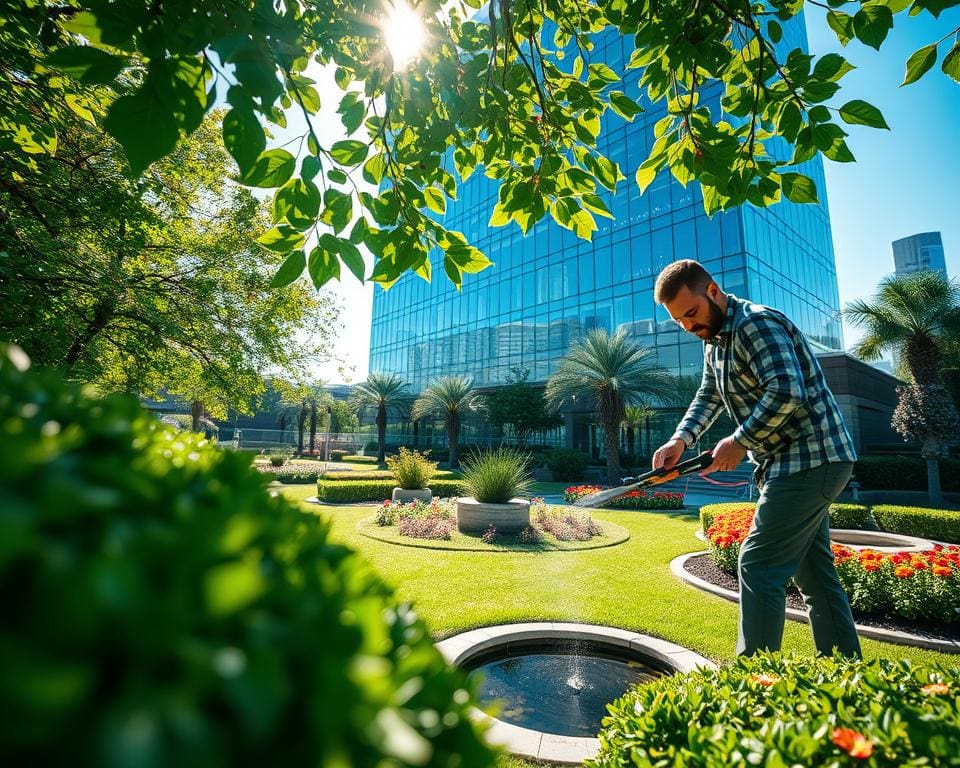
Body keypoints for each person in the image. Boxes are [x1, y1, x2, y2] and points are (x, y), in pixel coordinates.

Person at [652, 259, 861, 658]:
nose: (688, 326)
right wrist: (681, 439)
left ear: (713, 291)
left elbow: (786, 390)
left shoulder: (755, 323)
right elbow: (708, 396)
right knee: (815, 577)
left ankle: (754, 685)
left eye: (691, 313)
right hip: (792, 464)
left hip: (811, 458)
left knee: (758, 564)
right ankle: (845, 673)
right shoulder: (714, 342)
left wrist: (739, 441)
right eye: (679, 320)